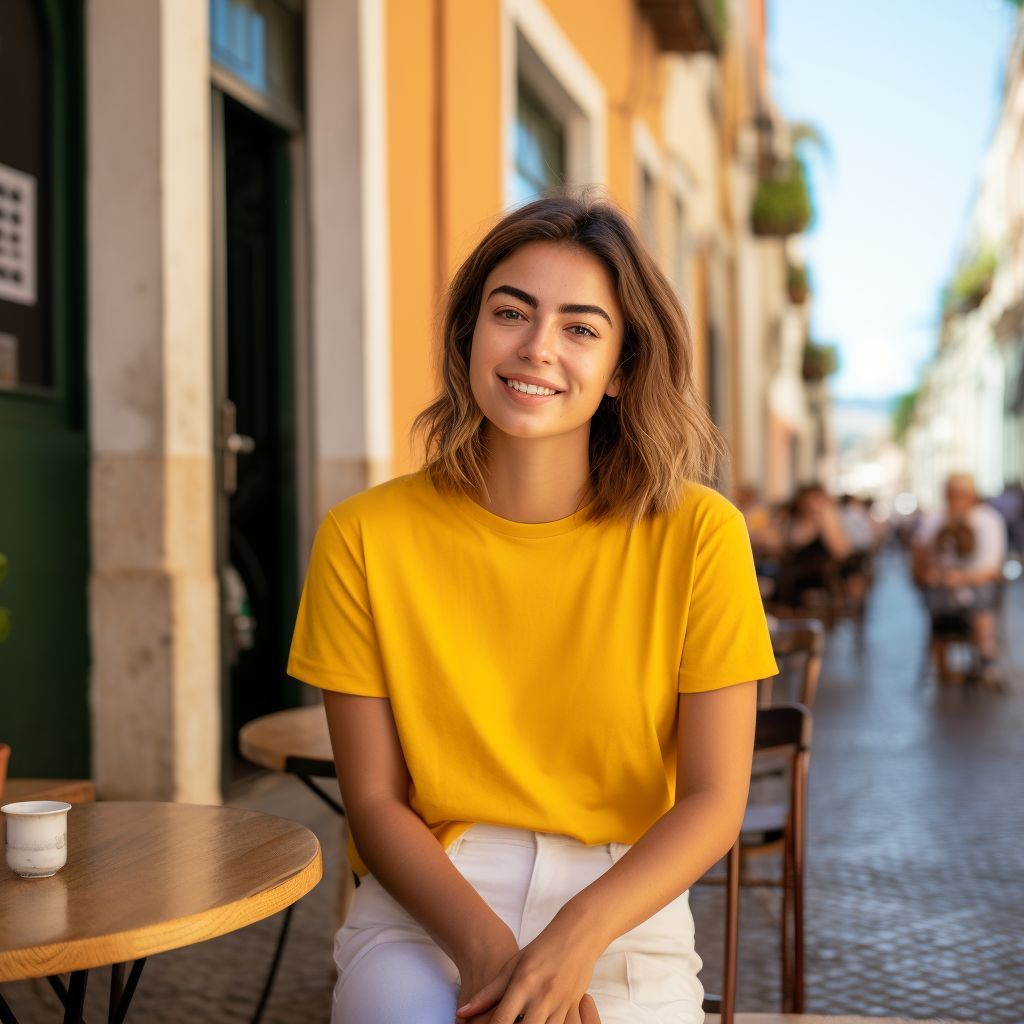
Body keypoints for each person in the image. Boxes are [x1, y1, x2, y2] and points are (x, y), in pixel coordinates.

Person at [287, 191, 778, 1024]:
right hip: (428, 906)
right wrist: (487, 955)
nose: (538, 348)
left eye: (581, 328)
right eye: (511, 312)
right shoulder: (362, 535)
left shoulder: (700, 534)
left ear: (622, 367)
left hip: (625, 903)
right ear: (468, 335)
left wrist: (576, 938)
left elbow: (712, 800)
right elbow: (373, 803)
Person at [912, 473, 1007, 687]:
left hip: (976, 587)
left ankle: (987, 656)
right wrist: (930, 573)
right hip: (941, 589)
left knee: (982, 599)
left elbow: (991, 568)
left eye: (962, 494)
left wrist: (960, 579)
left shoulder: (988, 520)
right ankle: (945, 666)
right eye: (952, 494)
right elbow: (920, 554)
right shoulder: (935, 518)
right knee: (936, 597)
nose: (956, 500)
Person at [773, 484, 852, 609]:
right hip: (789, 577)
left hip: (817, 579)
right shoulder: (791, 520)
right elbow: (781, 547)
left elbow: (841, 552)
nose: (813, 504)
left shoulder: (828, 520)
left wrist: (826, 525)